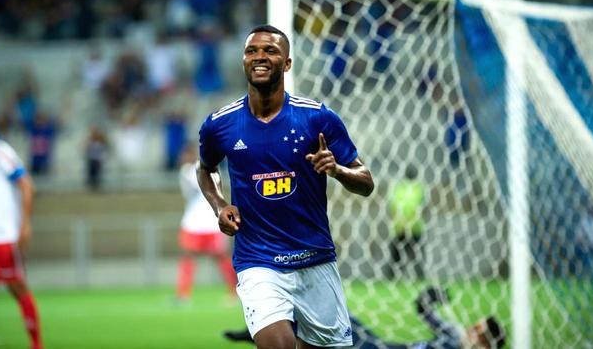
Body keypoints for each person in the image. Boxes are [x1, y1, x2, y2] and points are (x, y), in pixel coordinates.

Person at [196, 24, 375, 349]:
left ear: (288, 63)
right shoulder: (220, 125)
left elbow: (366, 182)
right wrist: (220, 205)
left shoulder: (317, 118)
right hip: (258, 261)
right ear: (244, 61)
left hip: (315, 259)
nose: (259, 57)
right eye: (252, 51)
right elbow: (205, 169)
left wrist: (336, 170)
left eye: (270, 51)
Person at [223, 287, 506, 349]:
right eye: (475, 325)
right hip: (377, 345)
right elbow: (422, 309)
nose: (471, 328)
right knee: (334, 318)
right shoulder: (454, 334)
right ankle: (258, 331)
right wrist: (432, 298)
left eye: (478, 329)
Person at [0, 106, 44, 349]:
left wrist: (25, 224)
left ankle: (36, 343)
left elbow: (26, 185)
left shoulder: (0, 152)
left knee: (17, 287)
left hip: (2, 236)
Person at [176, 145, 236, 302]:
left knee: (221, 257)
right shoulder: (186, 171)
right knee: (187, 256)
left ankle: (235, 291)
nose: (183, 158)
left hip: (211, 222)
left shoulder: (208, 167)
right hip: (193, 222)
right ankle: (183, 294)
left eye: (186, 155)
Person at [388, 164, 426, 278]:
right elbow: (422, 208)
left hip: (401, 227)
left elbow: (393, 208)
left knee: (398, 255)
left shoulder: (399, 188)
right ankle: (419, 277)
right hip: (414, 227)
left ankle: (393, 277)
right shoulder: (419, 188)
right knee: (415, 255)